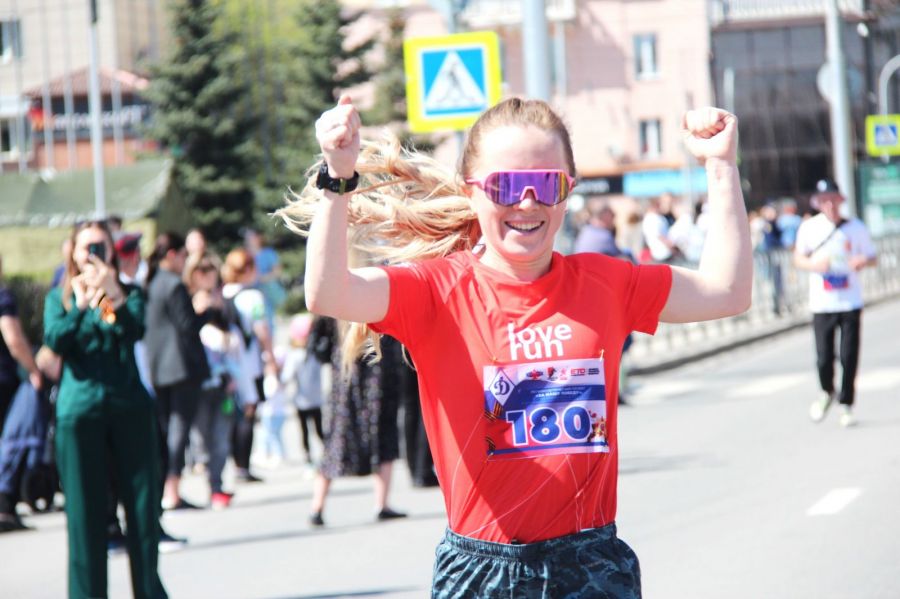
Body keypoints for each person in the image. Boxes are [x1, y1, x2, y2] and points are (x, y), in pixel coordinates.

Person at [277, 95, 751, 596]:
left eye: (547, 185)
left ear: (569, 190)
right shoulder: (434, 291)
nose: (527, 203)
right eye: (505, 186)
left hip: (590, 565)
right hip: (482, 572)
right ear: (473, 192)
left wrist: (720, 166)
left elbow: (728, 290)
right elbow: (328, 293)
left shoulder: (606, 284)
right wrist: (337, 177)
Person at [43, 220, 167, 599]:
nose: (94, 254)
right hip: (80, 413)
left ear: (113, 251)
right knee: (84, 516)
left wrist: (113, 291)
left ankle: (149, 592)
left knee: (144, 513)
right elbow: (55, 340)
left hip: (128, 407)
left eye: (101, 246)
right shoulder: (60, 299)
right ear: (73, 253)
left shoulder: (128, 291)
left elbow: (135, 330)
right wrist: (80, 305)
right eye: (87, 248)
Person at [305, 317, 407, 527]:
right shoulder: (376, 292)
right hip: (378, 370)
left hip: (346, 370)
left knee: (337, 438)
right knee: (382, 433)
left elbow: (316, 340)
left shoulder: (335, 299)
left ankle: (317, 507)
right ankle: (381, 504)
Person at [794, 179, 877, 428]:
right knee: (823, 357)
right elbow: (798, 258)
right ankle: (827, 391)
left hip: (850, 300)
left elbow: (872, 257)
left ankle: (846, 403)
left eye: (833, 199)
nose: (829, 204)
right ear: (818, 203)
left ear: (840, 200)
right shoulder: (809, 228)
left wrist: (863, 261)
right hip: (822, 301)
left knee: (849, 355)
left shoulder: (855, 227)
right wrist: (813, 265)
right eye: (824, 200)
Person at [144, 233, 210, 510]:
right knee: (178, 431)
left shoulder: (151, 283)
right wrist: (205, 311)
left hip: (159, 368)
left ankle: (167, 490)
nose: (185, 260)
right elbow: (188, 326)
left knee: (167, 428)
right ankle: (172, 490)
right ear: (172, 255)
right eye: (183, 255)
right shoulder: (173, 285)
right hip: (182, 368)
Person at [184, 251, 240, 509]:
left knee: (220, 436)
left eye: (210, 271)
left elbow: (232, 337)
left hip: (221, 380)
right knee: (201, 437)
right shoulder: (186, 303)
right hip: (197, 383)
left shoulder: (223, 301)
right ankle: (209, 479)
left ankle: (216, 486)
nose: (206, 277)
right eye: (201, 271)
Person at [221, 248, 276, 483]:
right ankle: (243, 465)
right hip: (249, 362)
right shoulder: (253, 297)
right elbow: (262, 330)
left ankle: (234, 463)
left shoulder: (221, 293)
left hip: (224, 362)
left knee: (232, 412)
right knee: (249, 410)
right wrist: (271, 358)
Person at [0, 254, 43, 532]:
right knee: (10, 441)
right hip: (3, 379)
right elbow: (13, 337)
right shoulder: (3, 298)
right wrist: (33, 369)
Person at [280, 314, 325, 466]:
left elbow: (287, 376)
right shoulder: (317, 353)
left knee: (304, 431)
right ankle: (327, 452)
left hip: (301, 400)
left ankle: (308, 457)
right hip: (316, 399)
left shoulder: (294, 356)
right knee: (319, 429)